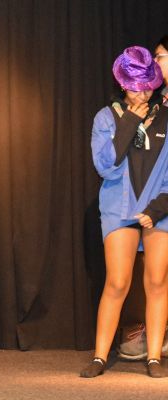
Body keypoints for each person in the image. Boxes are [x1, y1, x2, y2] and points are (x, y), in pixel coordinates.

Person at [80, 46, 168, 378]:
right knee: (117, 282)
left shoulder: (165, 116)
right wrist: (131, 120)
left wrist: (158, 208)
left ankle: (154, 357)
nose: (142, 94)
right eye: (136, 88)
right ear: (122, 84)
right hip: (119, 207)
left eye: (148, 87)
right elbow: (105, 166)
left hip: (159, 207)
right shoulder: (106, 117)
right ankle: (100, 356)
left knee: (158, 280)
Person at [116, 36, 168, 361]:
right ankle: (157, 333)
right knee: (156, 274)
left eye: (160, 57)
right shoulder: (158, 104)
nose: (155, 62)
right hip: (159, 203)